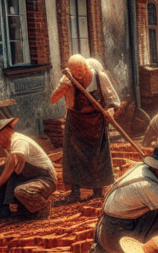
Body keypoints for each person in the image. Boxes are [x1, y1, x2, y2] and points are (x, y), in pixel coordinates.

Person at [50, 54, 121, 202]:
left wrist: (111, 110)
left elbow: (114, 100)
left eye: (80, 69)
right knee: (73, 157)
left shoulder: (99, 77)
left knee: (97, 157)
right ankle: (75, 193)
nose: (78, 73)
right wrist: (64, 87)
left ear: (86, 67)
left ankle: (97, 191)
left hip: (96, 122)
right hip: (75, 122)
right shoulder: (68, 78)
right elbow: (53, 99)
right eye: (74, 70)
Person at [0, 118, 56, 220]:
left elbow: (11, 164)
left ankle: (42, 207)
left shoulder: (19, 141)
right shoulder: (10, 145)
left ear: (5, 133)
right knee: (0, 171)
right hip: (32, 178)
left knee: (21, 191)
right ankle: (10, 210)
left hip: (45, 179)